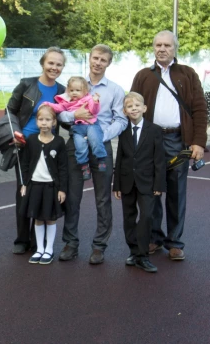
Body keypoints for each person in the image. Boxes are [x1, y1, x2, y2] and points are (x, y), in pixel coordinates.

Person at [130, 30, 207, 261]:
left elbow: (200, 110)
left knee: (176, 193)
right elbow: (132, 107)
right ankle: (155, 238)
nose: (162, 49)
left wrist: (198, 143)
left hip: (177, 141)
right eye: (158, 45)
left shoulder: (188, 74)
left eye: (167, 45)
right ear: (153, 48)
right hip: (150, 142)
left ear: (175, 48)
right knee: (151, 193)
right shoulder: (143, 75)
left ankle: (174, 242)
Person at [57, 44, 128, 264]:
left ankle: (99, 246)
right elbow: (60, 114)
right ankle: (71, 243)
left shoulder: (115, 90)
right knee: (72, 196)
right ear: (90, 58)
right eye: (95, 58)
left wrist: (101, 136)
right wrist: (74, 115)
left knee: (103, 199)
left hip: (101, 148)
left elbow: (122, 120)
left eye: (103, 60)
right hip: (75, 145)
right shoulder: (75, 84)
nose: (98, 63)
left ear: (108, 63)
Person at [7, 47, 67, 255]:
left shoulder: (62, 91)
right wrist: (16, 132)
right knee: (24, 191)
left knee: (45, 193)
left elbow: (66, 119)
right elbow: (10, 111)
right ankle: (23, 239)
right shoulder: (26, 84)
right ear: (43, 63)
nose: (54, 67)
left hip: (49, 146)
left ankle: (39, 241)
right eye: (51, 63)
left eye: (59, 64)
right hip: (26, 147)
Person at [113, 92, 166, 273]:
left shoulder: (154, 130)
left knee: (146, 217)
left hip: (147, 183)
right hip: (127, 182)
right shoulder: (123, 131)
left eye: (137, 105)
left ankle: (143, 256)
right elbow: (120, 157)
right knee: (128, 218)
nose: (134, 108)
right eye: (129, 106)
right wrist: (117, 184)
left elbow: (159, 160)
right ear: (125, 111)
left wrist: (159, 184)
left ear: (144, 108)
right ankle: (134, 252)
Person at [19, 106, 68, 264]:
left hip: (51, 187)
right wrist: (25, 184)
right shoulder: (32, 140)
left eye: (48, 120)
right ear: (36, 121)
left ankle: (49, 249)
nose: (44, 123)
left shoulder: (59, 142)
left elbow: (63, 168)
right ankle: (39, 249)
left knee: (50, 218)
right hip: (35, 185)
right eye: (41, 119)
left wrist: (62, 189)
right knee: (38, 218)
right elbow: (25, 163)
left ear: (54, 122)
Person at [41, 76, 107, 181]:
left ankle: (101, 159)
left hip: (91, 125)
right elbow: (58, 108)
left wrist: (95, 102)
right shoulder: (67, 102)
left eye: (78, 90)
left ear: (85, 91)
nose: (74, 93)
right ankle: (84, 166)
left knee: (95, 140)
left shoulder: (88, 99)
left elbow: (94, 111)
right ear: (68, 90)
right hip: (78, 128)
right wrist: (47, 104)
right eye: (71, 90)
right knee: (80, 146)